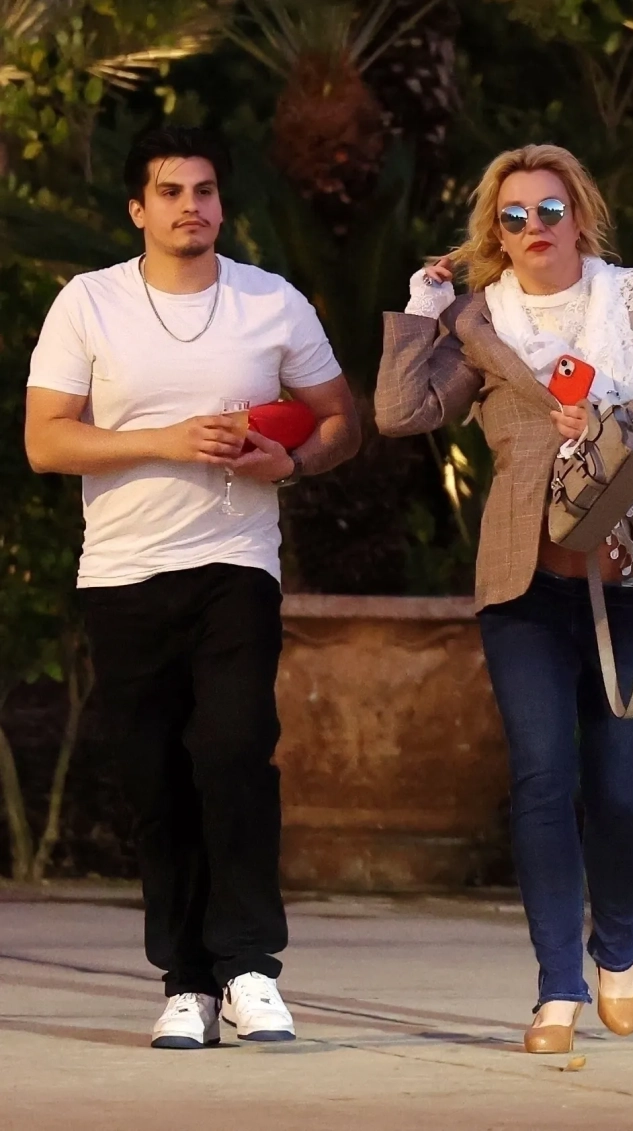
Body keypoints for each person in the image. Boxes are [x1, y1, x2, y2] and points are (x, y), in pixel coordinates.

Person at [375, 144, 633, 1056]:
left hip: (631, 582)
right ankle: (557, 988)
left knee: (623, 791)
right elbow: (402, 413)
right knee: (542, 780)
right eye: (513, 216)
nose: (533, 227)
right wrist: (420, 313)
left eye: (548, 210)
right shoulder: (479, 322)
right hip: (525, 588)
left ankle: (618, 946)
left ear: (579, 216)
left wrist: (626, 414)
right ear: (495, 233)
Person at [25, 127, 360, 1050]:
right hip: (123, 571)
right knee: (156, 777)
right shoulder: (89, 302)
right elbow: (46, 440)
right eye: (171, 192)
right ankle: (186, 984)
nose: (191, 207)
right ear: (139, 208)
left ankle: (250, 968)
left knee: (236, 750)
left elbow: (341, 420)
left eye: (205, 191)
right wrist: (167, 440)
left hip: (236, 563)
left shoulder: (271, 301)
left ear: (222, 204)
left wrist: (291, 461)